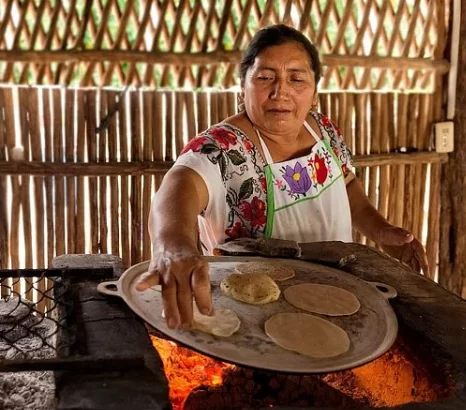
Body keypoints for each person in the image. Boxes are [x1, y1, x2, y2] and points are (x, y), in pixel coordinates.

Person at [136, 24, 429, 330]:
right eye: (265, 78)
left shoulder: (323, 131)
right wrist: (173, 245)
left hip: (336, 300)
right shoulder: (223, 147)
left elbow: (347, 184)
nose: (281, 92)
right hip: (251, 323)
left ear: (314, 90)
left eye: (297, 78)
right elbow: (177, 186)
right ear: (243, 87)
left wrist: (381, 231)